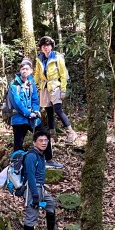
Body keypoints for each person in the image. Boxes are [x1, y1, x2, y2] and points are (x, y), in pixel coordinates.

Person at [34, 36, 76, 169]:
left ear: (51, 46)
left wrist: (63, 89)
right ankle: (52, 134)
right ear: (41, 48)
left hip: (55, 86)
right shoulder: (40, 59)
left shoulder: (57, 58)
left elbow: (63, 74)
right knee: (49, 112)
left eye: (48, 45)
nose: (46, 48)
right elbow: (37, 74)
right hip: (44, 87)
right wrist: (34, 86)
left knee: (58, 110)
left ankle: (71, 132)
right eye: (43, 46)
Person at [23, 126, 56, 230]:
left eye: (46, 140)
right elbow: (30, 177)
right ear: (34, 142)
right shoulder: (31, 156)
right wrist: (35, 196)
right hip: (32, 189)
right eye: (40, 140)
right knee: (31, 216)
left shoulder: (41, 154)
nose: (44, 143)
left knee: (50, 204)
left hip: (40, 188)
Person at [7, 58, 41, 152]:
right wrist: (28, 113)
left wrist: (36, 110)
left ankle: (47, 158)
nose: (24, 71)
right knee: (18, 144)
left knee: (43, 135)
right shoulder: (14, 84)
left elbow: (35, 99)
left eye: (26, 69)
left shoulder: (31, 82)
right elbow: (16, 103)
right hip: (18, 118)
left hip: (32, 118)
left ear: (31, 71)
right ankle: (17, 159)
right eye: (22, 69)